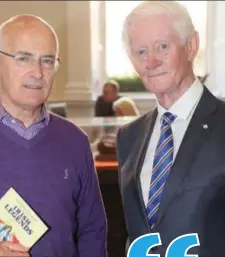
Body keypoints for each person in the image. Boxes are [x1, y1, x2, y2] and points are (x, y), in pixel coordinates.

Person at [0, 14, 107, 257]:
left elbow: (92, 232)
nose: (37, 72)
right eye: (23, 58)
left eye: (47, 60)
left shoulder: (75, 141)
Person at [116, 1, 225, 257]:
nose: (151, 61)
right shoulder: (129, 137)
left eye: (162, 47)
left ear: (191, 46)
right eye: (140, 51)